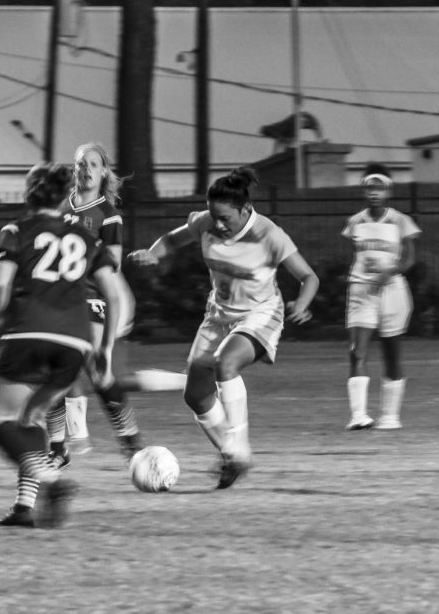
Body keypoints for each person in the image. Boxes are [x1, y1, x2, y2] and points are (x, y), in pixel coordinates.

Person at [128, 167, 319, 489]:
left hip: (260, 314)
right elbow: (173, 240)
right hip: (218, 316)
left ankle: (239, 447)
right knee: (196, 395)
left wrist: (301, 304)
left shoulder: (269, 234)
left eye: (225, 218)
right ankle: (232, 457)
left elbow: (309, 277)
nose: (217, 224)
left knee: (225, 363)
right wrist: (153, 254)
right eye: (214, 216)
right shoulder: (205, 221)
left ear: (245, 210)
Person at [0, 162, 124, 528]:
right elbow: (114, 295)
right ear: (64, 198)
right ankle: (24, 509)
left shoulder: (16, 229)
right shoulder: (87, 238)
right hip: (74, 343)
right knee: (31, 418)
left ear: (28, 193)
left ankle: (52, 480)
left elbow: (0, 282)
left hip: (29, 333)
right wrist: (105, 349)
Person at [43, 142, 144, 465]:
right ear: (74, 170)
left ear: (103, 172)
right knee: (55, 373)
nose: (86, 169)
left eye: (93, 164)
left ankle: (131, 443)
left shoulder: (107, 215)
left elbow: (112, 264)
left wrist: (74, 254)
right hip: (56, 300)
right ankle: (58, 449)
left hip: (89, 298)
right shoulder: (59, 207)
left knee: (99, 373)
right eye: (80, 164)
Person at [341, 164, 420, 431]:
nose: (374, 192)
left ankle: (390, 416)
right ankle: (358, 415)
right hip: (362, 289)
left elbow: (409, 258)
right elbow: (354, 255)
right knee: (357, 351)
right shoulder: (355, 221)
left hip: (392, 290)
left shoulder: (400, 220)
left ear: (388, 190)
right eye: (369, 187)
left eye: (379, 187)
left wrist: (390, 271)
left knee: (391, 352)